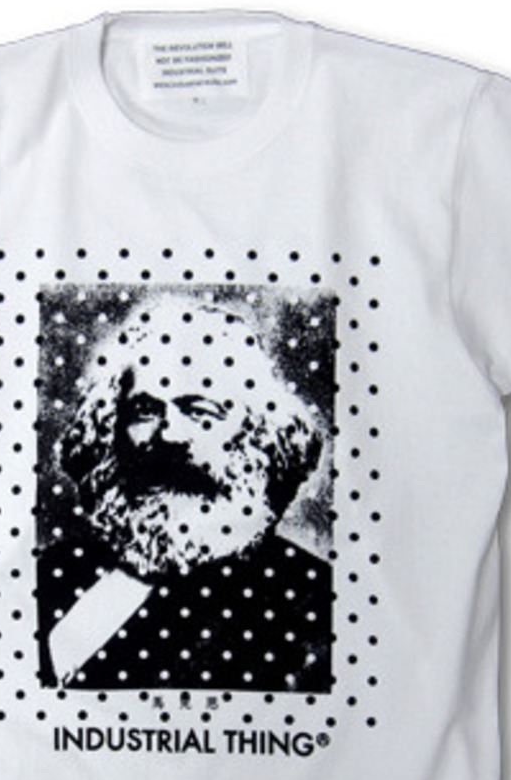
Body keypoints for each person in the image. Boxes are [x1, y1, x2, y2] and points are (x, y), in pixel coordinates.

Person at [36, 294, 333, 692]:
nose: (170, 435)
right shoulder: (51, 573)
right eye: (145, 410)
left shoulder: (313, 604)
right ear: (111, 431)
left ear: (257, 435)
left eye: (200, 411)